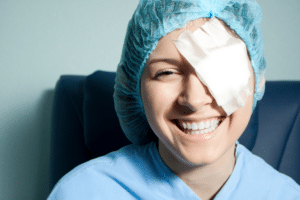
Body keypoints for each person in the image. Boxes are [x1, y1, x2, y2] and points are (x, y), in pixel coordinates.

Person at [47, 0, 300, 199]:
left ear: (256, 79)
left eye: (220, 68)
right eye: (166, 72)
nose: (194, 99)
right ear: (136, 87)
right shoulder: (81, 193)